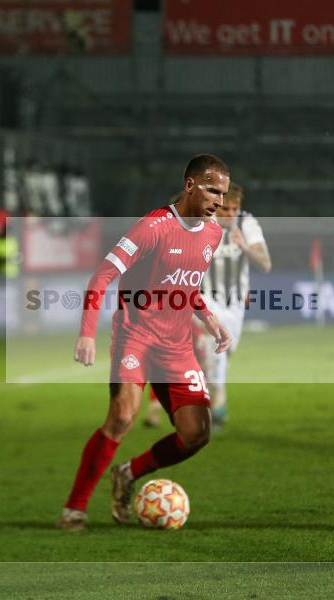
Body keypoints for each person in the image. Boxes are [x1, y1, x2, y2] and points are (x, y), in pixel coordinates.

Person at [57, 154, 233, 531]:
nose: (219, 201)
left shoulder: (213, 234)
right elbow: (102, 276)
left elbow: (186, 286)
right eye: (213, 191)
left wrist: (209, 318)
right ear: (190, 185)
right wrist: (87, 332)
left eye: (224, 194)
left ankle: (128, 472)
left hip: (177, 346)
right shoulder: (152, 228)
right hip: (135, 337)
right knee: (122, 416)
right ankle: (75, 507)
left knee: (197, 434)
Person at [199, 183, 271, 428]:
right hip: (205, 299)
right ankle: (216, 404)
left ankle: (209, 395)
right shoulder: (201, 222)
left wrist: (245, 247)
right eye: (225, 209)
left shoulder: (247, 224)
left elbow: (265, 263)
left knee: (223, 356)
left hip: (235, 304)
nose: (230, 214)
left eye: (234, 209)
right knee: (212, 347)